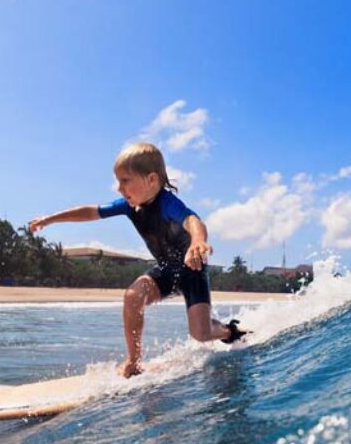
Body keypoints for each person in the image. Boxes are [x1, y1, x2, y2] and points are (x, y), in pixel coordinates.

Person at [29, 142, 247, 378]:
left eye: (125, 180)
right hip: (165, 270)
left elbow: (192, 220)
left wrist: (198, 241)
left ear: (151, 180)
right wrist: (50, 219)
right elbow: (91, 211)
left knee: (201, 334)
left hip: (191, 271)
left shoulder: (167, 203)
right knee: (133, 296)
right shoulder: (129, 207)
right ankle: (134, 362)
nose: (119, 188)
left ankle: (229, 331)